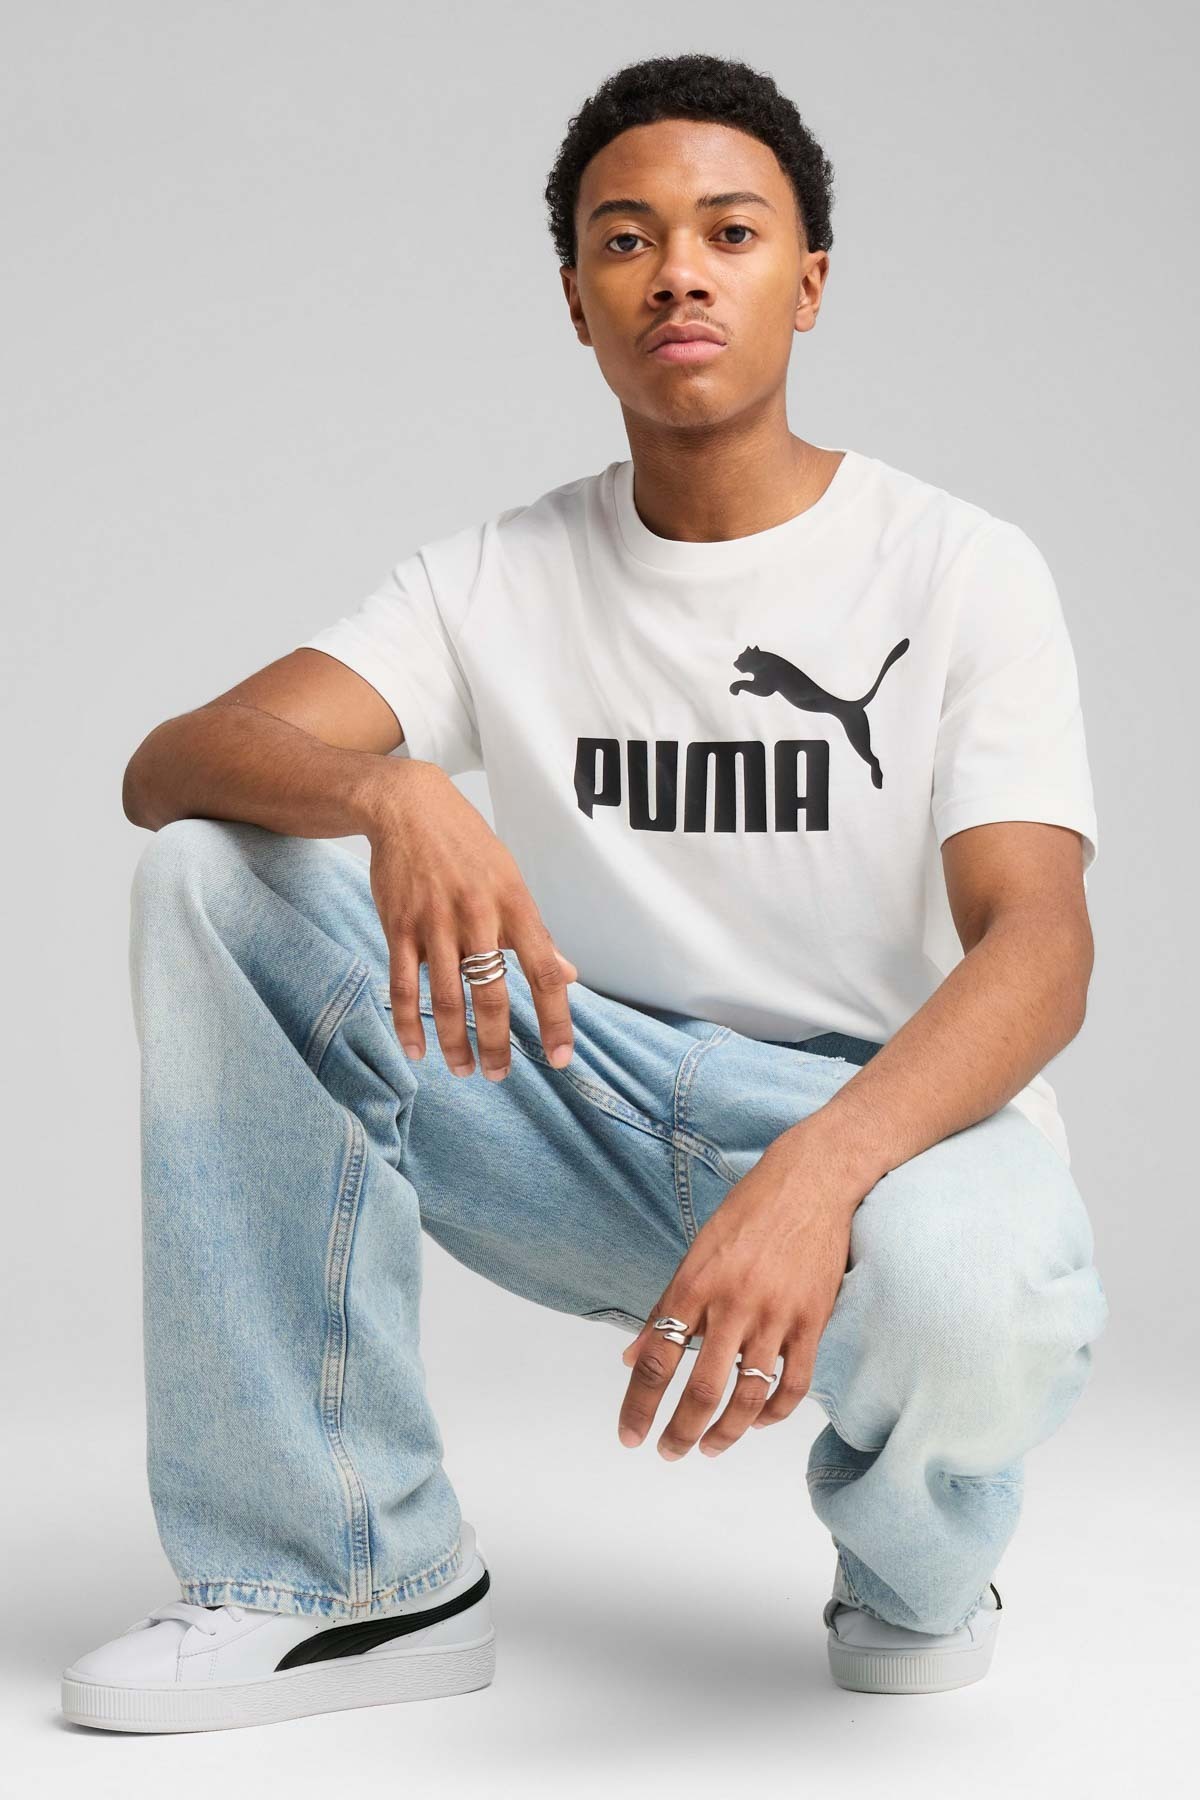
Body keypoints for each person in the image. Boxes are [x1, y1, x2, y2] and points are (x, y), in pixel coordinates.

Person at [61, 51, 1108, 1733]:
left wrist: (819, 1175)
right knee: (212, 876)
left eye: (730, 233)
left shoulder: (958, 566)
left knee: (978, 1295)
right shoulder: (497, 576)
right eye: (627, 240)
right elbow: (170, 763)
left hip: (875, 1131)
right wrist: (391, 789)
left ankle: (918, 1566)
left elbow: (1042, 945)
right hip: (578, 1094)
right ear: (576, 301)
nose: (678, 272)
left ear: (807, 282)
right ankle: (348, 1574)